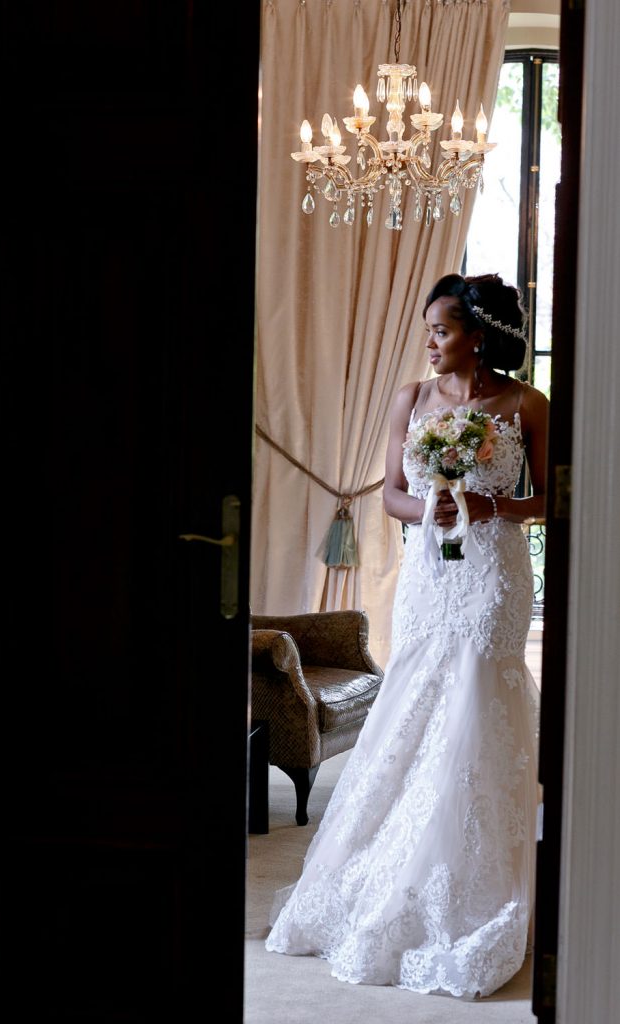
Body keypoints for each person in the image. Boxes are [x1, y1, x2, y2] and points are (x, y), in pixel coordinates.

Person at [264, 272, 549, 999]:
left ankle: (472, 881)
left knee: (481, 692)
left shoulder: (526, 405)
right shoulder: (411, 400)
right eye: (427, 331)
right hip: (432, 570)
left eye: (441, 332)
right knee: (418, 697)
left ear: (477, 336)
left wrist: (491, 509)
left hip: (494, 574)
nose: (429, 344)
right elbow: (392, 492)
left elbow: (549, 497)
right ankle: (387, 870)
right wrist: (435, 511)